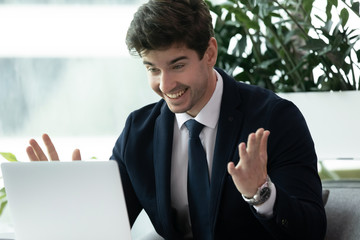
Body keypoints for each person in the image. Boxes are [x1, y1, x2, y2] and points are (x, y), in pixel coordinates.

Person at [26, 0, 327, 239]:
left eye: (177, 65)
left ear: (209, 53)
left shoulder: (275, 119)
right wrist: (62, 200)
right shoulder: (138, 132)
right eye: (152, 69)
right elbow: (108, 227)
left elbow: (312, 231)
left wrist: (261, 193)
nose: (165, 84)